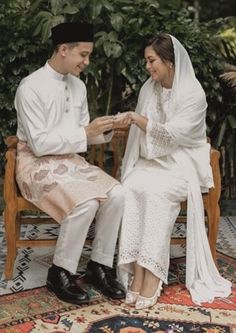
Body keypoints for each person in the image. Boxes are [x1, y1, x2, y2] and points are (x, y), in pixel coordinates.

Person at [117, 33, 232, 309]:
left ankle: (152, 273)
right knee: (130, 188)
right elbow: (145, 140)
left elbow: (173, 136)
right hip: (152, 161)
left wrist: (138, 119)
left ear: (169, 61)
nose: (148, 66)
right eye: (147, 60)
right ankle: (137, 269)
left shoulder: (193, 93)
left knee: (156, 193)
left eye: (152, 60)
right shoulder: (149, 89)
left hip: (182, 164)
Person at [14, 22, 126, 305]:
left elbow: (81, 136)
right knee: (86, 202)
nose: (87, 62)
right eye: (83, 55)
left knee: (118, 194)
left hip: (71, 162)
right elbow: (39, 144)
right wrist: (86, 133)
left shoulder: (78, 86)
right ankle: (60, 271)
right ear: (63, 50)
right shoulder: (30, 87)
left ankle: (99, 265)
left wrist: (110, 128)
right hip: (34, 164)